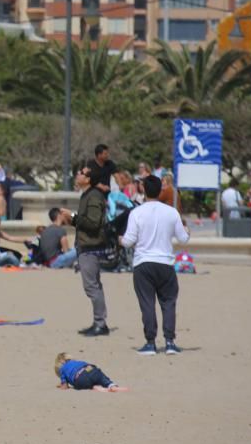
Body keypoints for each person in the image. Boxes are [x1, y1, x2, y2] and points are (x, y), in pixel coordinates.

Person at [121, 175, 190, 356]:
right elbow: (183, 239)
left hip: (143, 263)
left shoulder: (137, 212)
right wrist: (187, 230)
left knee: (147, 303)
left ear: (143, 189)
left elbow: (128, 241)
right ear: (160, 190)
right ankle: (169, 341)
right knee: (168, 303)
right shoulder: (171, 212)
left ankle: (150, 342)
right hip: (166, 263)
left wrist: (120, 239)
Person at [74, 165, 110, 336]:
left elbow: (94, 223)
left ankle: (100, 324)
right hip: (86, 246)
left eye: (81, 173)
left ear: (88, 179)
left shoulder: (94, 196)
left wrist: (73, 218)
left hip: (91, 247)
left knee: (91, 287)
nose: (77, 174)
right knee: (94, 285)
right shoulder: (87, 195)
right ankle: (98, 322)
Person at [54, 353, 128, 392]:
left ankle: (95, 387)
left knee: (80, 385)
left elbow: (65, 386)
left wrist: (61, 385)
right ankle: (111, 385)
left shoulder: (62, 370)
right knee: (101, 377)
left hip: (80, 377)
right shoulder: (77, 362)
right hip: (91, 369)